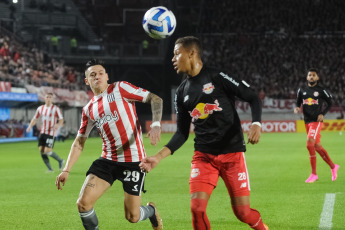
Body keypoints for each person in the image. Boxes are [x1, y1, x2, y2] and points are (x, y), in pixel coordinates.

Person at [139, 36, 268, 230]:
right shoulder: (182, 92)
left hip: (232, 155)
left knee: (242, 213)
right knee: (197, 208)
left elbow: (253, 97)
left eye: (176, 54)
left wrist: (256, 123)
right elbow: (182, 133)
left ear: (191, 53)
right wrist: (158, 157)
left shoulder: (217, 76)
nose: (173, 59)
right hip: (204, 157)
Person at [55, 59, 163, 230]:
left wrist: (156, 124)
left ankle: (151, 211)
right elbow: (79, 142)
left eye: (100, 73)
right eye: (92, 75)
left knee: (132, 217)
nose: (97, 76)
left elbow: (155, 99)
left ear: (107, 76)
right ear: (87, 81)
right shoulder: (88, 109)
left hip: (133, 161)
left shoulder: (120, 88)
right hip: (107, 160)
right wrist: (66, 169)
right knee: (83, 204)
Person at [294, 68, 339, 183]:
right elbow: (298, 101)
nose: (312, 77)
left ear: (317, 78)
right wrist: (297, 107)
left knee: (309, 144)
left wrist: (322, 113)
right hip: (307, 121)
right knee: (317, 147)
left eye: (314, 75)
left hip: (316, 121)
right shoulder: (301, 90)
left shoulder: (321, 90)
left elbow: (330, 103)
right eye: (310, 75)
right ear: (307, 77)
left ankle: (314, 174)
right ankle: (333, 167)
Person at [26, 93, 65, 172]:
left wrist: (58, 125)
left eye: (50, 97)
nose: (48, 98)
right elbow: (35, 118)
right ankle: (50, 169)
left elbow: (61, 119)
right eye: (47, 97)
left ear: (52, 99)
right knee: (41, 151)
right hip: (42, 132)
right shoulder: (40, 108)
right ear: (44, 98)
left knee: (47, 151)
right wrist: (30, 126)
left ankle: (60, 160)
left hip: (51, 133)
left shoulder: (56, 108)